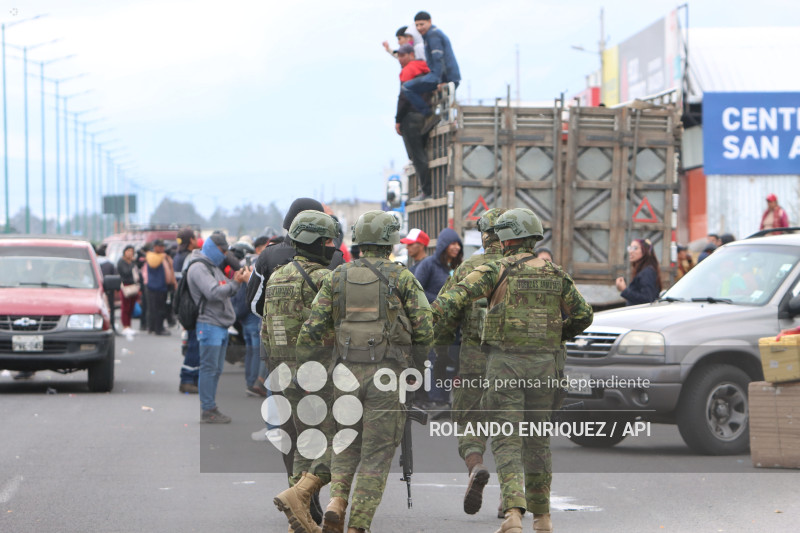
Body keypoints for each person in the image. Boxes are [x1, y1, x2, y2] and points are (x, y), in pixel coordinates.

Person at [431, 208, 593, 533]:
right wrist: (556, 332)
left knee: (507, 439)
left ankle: (513, 516)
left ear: (505, 238)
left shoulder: (495, 270)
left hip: (505, 366)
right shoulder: (554, 273)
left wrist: (424, 327)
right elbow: (583, 314)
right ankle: (543, 518)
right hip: (545, 367)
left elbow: (451, 302)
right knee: (537, 441)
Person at [297, 210, 433, 533]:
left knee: (345, 444)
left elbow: (309, 334)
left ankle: (336, 502)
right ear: (390, 242)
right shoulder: (402, 278)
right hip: (387, 377)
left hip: (344, 374)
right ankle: (358, 526)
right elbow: (426, 329)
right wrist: (414, 367)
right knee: (375, 455)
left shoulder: (336, 277)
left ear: (358, 240)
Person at [269, 211, 341, 533]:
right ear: (315, 241)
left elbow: (265, 331)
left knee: (303, 445)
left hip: (283, 374)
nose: (331, 246)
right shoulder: (326, 279)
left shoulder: (276, 277)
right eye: (327, 241)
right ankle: (299, 498)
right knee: (335, 443)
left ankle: (295, 513)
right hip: (317, 374)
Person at [434, 208, 505, 515]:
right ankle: (511, 500)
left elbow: (445, 313)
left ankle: (475, 466)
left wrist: (443, 352)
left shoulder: (468, 268)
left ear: (483, 234)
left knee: (469, 421)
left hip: (474, 361)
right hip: (516, 363)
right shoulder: (529, 268)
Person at [186, 232, 250, 423]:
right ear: (213, 249)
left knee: (215, 369)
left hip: (218, 325)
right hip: (209, 325)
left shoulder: (211, 266)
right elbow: (214, 292)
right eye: (222, 251)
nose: (224, 255)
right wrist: (236, 283)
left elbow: (222, 288)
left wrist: (233, 282)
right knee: (209, 368)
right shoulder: (199, 268)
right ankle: (208, 409)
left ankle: (210, 406)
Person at [401, 11, 461, 119]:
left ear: (429, 21)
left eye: (422, 24)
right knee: (445, 108)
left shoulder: (433, 35)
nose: (419, 28)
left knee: (407, 88)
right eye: (417, 25)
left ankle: (428, 115)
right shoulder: (430, 35)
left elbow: (439, 59)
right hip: (447, 76)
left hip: (443, 77)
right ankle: (439, 117)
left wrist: (441, 81)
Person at [395, 44, 433, 203]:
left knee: (416, 156)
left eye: (403, 55)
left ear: (411, 54)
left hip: (410, 117)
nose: (400, 59)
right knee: (421, 154)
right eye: (398, 56)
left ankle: (426, 191)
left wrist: (398, 119)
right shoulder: (424, 70)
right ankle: (425, 189)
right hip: (423, 115)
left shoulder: (408, 72)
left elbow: (403, 98)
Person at [414, 227, 463, 303]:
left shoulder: (459, 267)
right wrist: (440, 301)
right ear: (444, 245)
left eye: (458, 244)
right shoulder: (428, 264)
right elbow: (416, 290)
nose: (457, 247)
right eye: (453, 244)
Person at [144, 239, 176, 336]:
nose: (162, 248)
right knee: (156, 309)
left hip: (162, 286)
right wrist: (163, 256)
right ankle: (157, 328)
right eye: (160, 246)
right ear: (155, 247)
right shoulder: (151, 255)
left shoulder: (164, 257)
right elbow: (154, 263)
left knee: (160, 308)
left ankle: (155, 326)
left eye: (163, 246)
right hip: (155, 286)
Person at [616, 238, 662, 305]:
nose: (631, 251)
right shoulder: (642, 271)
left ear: (645, 251)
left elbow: (647, 299)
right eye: (630, 248)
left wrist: (624, 290)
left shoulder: (647, 272)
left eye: (635, 248)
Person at [117, 245, 139, 335]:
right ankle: (125, 326)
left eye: (132, 251)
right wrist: (131, 264)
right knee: (125, 306)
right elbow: (125, 272)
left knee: (131, 307)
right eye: (128, 251)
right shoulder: (121, 262)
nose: (130, 253)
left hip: (133, 285)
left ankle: (129, 326)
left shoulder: (133, 262)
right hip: (125, 285)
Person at [96, 244, 119, 333]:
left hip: (96, 291)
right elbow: (115, 276)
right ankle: (111, 325)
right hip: (109, 290)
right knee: (110, 309)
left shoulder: (93, 263)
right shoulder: (109, 264)